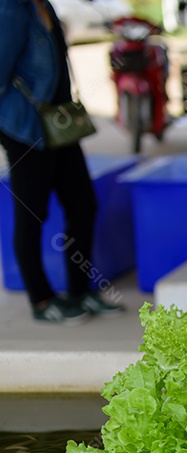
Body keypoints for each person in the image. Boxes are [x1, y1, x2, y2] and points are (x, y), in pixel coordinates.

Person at [0, 0, 123, 324]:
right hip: (26, 128)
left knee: (83, 205)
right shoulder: (11, 8)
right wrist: (22, 114)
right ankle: (41, 301)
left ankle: (79, 292)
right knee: (31, 215)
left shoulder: (44, 5)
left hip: (60, 123)